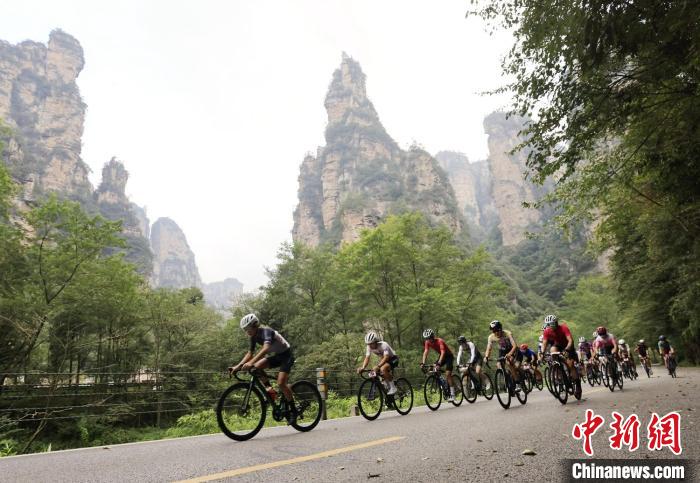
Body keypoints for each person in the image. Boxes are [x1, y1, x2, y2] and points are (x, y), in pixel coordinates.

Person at [229, 314, 297, 423]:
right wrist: (238, 366)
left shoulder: (266, 331)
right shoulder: (253, 336)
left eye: (247, 328)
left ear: (255, 325)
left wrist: (251, 362)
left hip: (287, 356)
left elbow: (266, 349)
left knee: (281, 383)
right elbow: (250, 353)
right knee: (255, 368)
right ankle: (271, 391)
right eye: (244, 329)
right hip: (277, 356)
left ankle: (293, 411)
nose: (246, 331)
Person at [540, 314, 580, 381]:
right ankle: (558, 367)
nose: (550, 326)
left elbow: (570, 340)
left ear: (556, 322)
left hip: (568, 345)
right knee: (552, 350)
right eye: (548, 324)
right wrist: (542, 352)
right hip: (558, 345)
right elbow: (544, 344)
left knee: (570, 365)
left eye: (552, 324)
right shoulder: (547, 331)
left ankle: (577, 384)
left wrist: (566, 350)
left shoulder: (563, 328)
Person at [421, 328, 456, 402]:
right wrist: (423, 363)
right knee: (432, 368)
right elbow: (425, 352)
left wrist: (439, 363)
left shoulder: (440, 341)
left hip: (448, 356)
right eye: (427, 338)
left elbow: (443, 352)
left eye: (430, 338)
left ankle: (453, 395)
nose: (429, 340)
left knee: (448, 374)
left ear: (433, 336)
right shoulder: (427, 342)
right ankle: (443, 384)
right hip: (442, 356)